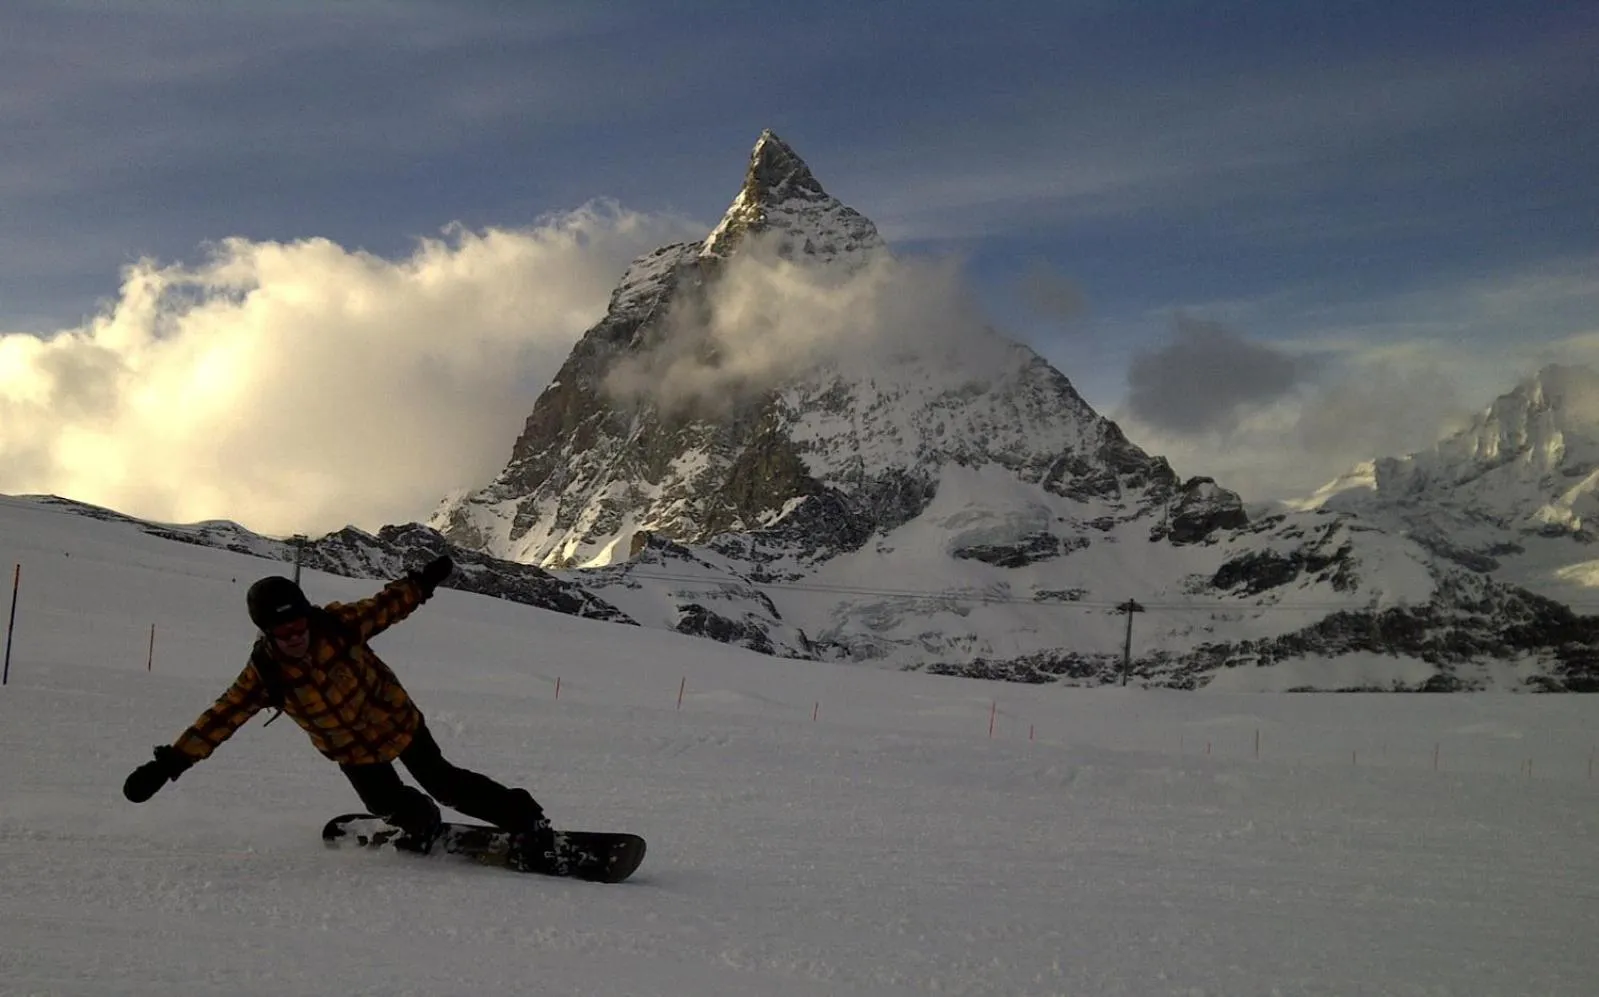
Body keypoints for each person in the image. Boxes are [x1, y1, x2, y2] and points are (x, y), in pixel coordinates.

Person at [121, 555, 553, 861]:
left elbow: (386, 606)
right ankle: (422, 826)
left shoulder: (338, 625)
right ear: (266, 633)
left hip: (396, 719)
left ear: (307, 616)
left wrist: (422, 583)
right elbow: (218, 721)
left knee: (446, 781)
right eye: (282, 632)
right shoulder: (265, 676)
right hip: (351, 750)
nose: (295, 637)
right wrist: (168, 764)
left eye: (298, 626)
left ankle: (525, 819)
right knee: (390, 804)